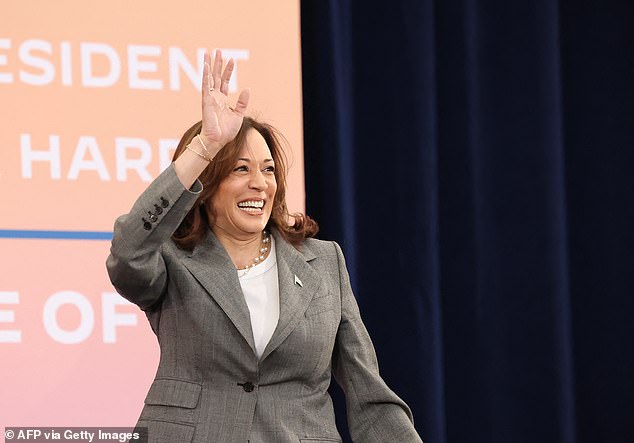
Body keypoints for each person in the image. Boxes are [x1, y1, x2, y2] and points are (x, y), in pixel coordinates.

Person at [106, 50, 423, 443]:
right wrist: (206, 145)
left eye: (268, 169)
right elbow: (128, 249)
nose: (260, 183)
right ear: (206, 186)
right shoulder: (171, 261)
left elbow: (369, 393)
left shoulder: (324, 262)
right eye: (241, 168)